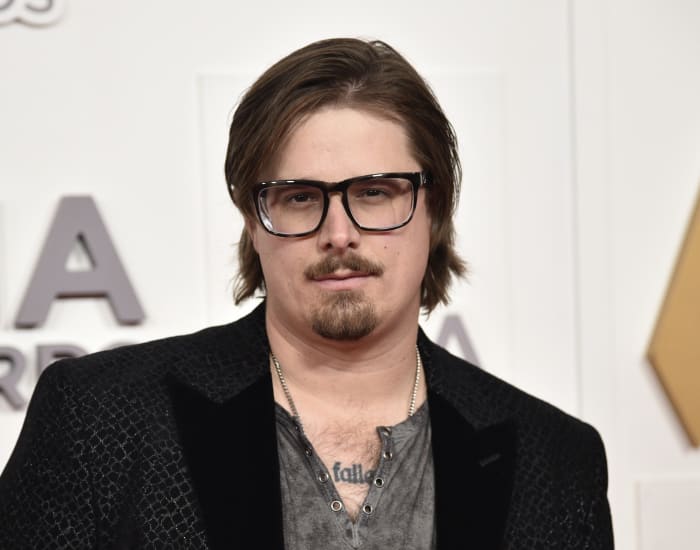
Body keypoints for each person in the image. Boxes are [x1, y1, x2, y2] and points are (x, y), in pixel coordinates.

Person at [0, 38, 613, 549]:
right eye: (299, 198)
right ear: (252, 222)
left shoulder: (554, 458)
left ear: (435, 209)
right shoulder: (99, 416)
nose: (339, 234)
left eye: (375, 192)